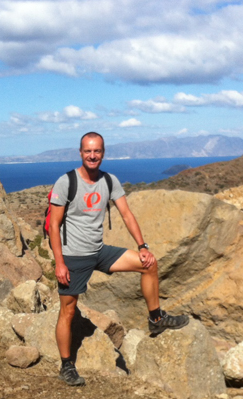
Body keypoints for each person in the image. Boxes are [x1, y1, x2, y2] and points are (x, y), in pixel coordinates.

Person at [48, 131, 189, 386]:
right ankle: (66, 365)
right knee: (67, 311)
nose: (92, 155)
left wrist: (142, 246)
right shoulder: (66, 182)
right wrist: (60, 262)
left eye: (97, 151)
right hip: (74, 256)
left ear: (103, 153)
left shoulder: (109, 181)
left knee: (149, 264)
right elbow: (54, 225)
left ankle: (156, 319)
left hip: (99, 251)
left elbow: (126, 214)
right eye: (88, 151)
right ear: (80, 153)